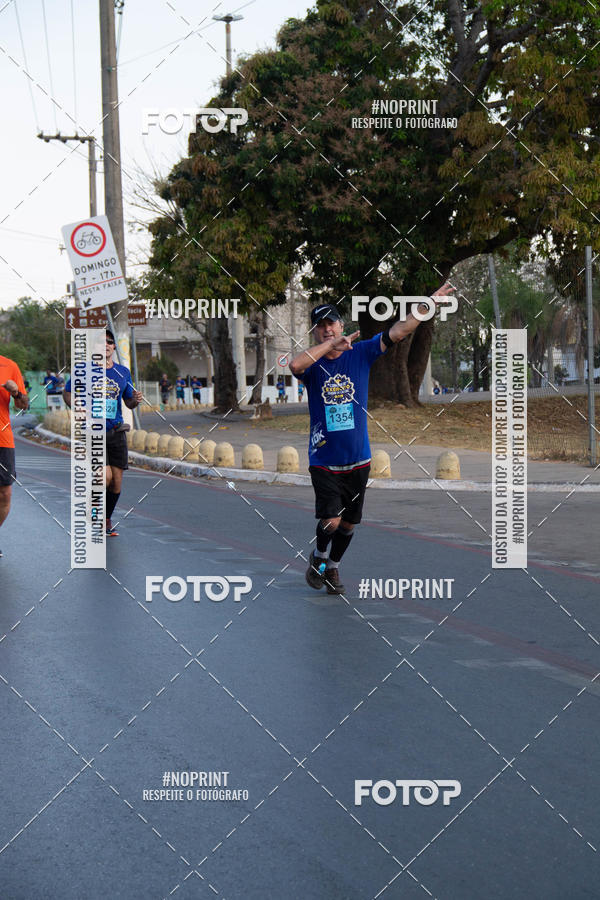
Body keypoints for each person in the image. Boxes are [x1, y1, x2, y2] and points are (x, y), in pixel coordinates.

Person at [290, 288, 454, 594]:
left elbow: (399, 331)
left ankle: (333, 567)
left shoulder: (362, 352)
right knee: (331, 521)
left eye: (331, 323)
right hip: (324, 459)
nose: (327, 329)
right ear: (315, 333)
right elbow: (294, 366)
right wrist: (329, 346)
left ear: (341, 325)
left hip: (359, 458)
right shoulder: (313, 364)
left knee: (349, 523)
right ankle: (320, 557)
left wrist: (428, 304)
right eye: (321, 326)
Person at [64, 330, 143, 536]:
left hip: (116, 432)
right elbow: (68, 392)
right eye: (101, 342)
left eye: (109, 342)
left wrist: (136, 399)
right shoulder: (83, 370)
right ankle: (93, 514)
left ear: (114, 347)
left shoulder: (122, 372)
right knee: (102, 477)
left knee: (116, 482)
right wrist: (76, 405)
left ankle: (106, 519)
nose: (106, 345)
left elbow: (129, 402)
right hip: (93, 431)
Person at [0, 354, 29, 557]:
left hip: (2, 439)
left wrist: (16, 392)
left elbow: (23, 404)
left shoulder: (9, 365)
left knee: (5, 493)